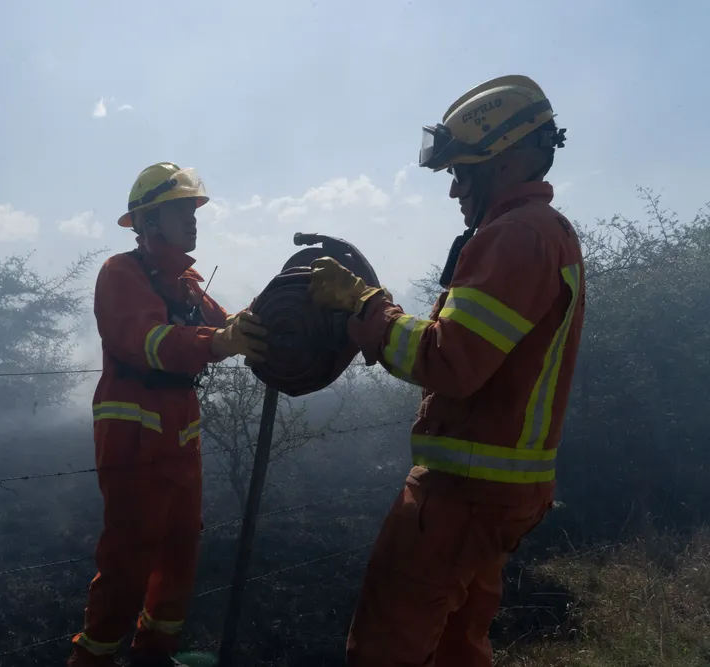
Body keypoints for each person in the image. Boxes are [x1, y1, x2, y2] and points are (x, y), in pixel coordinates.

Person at [308, 75, 585, 667]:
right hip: (498, 492)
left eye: (462, 171)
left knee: (386, 646)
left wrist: (367, 308)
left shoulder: (515, 237)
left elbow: (450, 360)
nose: (455, 188)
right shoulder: (543, 231)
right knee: (458, 647)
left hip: (463, 493)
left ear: (503, 161)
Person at [68, 162, 268, 667]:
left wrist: (275, 311)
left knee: (179, 555)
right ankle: (93, 661)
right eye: (182, 210)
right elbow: (147, 342)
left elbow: (227, 326)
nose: (193, 219)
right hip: (133, 441)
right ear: (149, 220)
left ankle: (153, 656)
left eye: (194, 210)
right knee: (128, 561)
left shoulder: (186, 283)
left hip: (180, 439)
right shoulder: (121, 274)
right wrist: (218, 341)